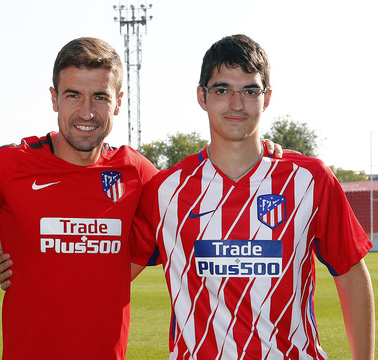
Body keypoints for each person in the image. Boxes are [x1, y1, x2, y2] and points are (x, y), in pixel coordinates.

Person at [0, 37, 283, 359]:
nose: (87, 111)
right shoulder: (11, 164)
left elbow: (198, 196)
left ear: (118, 102)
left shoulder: (138, 172)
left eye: (100, 97)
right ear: (54, 98)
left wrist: (257, 151)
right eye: (73, 95)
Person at [130, 34, 375, 359]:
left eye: (249, 90)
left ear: (267, 97)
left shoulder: (309, 179)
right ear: (202, 96)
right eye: (222, 90)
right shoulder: (165, 190)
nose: (236, 104)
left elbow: (351, 275)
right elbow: (106, 276)